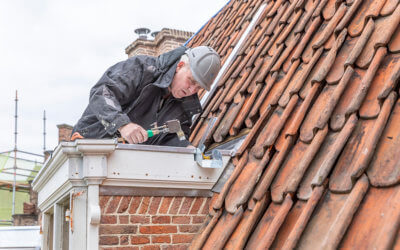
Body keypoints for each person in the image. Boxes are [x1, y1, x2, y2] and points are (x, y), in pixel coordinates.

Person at [71, 46, 221, 147]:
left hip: (124, 160)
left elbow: (171, 137)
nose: (192, 90)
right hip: (88, 143)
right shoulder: (141, 69)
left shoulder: (184, 108)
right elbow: (102, 92)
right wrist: (122, 124)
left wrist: (184, 149)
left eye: (199, 87)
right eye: (191, 81)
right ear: (180, 66)